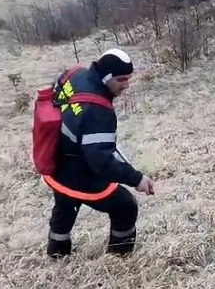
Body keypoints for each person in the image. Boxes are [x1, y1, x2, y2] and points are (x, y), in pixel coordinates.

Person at [44, 48, 155, 258]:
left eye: (128, 78)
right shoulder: (97, 111)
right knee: (125, 206)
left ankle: (57, 253)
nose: (126, 85)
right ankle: (119, 258)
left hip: (56, 158)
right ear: (105, 77)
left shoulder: (76, 75)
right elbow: (101, 161)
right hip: (78, 170)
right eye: (121, 79)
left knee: (65, 204)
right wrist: (137, 179)